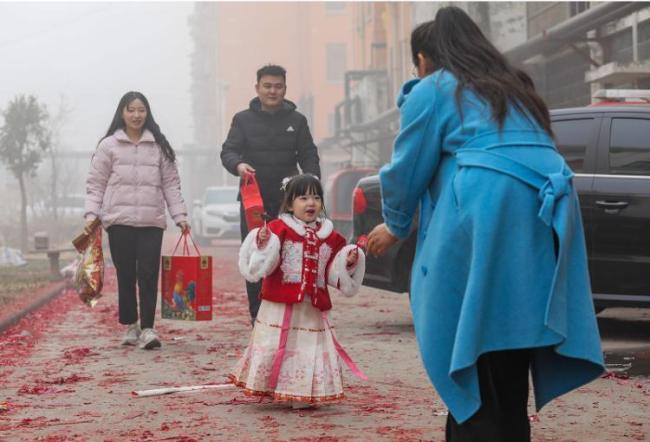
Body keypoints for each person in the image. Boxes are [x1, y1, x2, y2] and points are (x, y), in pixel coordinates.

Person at [366, 7, 604, 441]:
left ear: (425, 57)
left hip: (487, 216)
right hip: (543, 220)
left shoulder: (435, 89)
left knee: (470, 347)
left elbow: (406, 169)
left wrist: (395, 224)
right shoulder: (515, 87)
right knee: (510, 344)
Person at [230, 174, 366, 407]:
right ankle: (271, 385)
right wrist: (262, 243)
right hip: (279, 306)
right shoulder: (277, 229)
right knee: (275, 344)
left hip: (311, 308)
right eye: (303, 198)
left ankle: (301, 393)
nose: (310, 203)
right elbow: (265, 265)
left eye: (315, 197)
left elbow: (334, 271)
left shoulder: (331, 237)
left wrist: (350, 260)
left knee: (306, 348)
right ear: (290, 203)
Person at [84, 91, 189, 350]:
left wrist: (180, 216)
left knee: (149, 272)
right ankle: (131, 324)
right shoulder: (109, 146)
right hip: (118, 221)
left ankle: (149, 328)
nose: (136, 115)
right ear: (122, 112)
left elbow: (171, 185)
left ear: (147, 113)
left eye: (141, 110)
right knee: (126, 273)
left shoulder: (159, 145)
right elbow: (96, 184)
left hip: (151, 221)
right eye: (131, 110)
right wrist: (91, 214)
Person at [220, 64, 320, 324]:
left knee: (288, 255)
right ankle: (258, 315)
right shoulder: (242, 120)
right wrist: (238, 165)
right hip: (254, 200)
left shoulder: (297, 121)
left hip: (289, 202)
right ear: (257, 88)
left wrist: (311, 184)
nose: (272, 91)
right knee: (256, 254)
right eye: (267, 86)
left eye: (278, 86)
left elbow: (309, 155)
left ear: (285, 89)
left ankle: (286, 309)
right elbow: (228, 152)